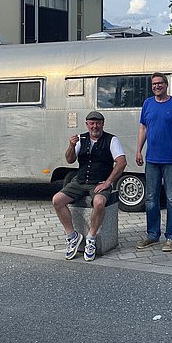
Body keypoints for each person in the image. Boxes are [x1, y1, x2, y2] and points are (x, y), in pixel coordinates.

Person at [52, 111, 127, 262]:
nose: (95, 126)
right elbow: (69, 160)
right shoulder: (81, 139)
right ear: (87, 124)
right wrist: (71, 146)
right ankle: (72, 236)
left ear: (103, 124)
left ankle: (91, 239)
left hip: (100, 182)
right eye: (91, 123)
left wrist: (108, 182)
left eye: (98, 123)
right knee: (57, 200)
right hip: (80, 181)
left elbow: (121, 162)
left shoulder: (111, 140)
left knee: (99, 203)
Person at [135, 73, 172, 253]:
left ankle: (171, 237)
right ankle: (152, 235)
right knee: (151, 200)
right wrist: (138, 150)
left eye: (160, 83)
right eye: (154, 84)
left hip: (171, 160)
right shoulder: (147, 104)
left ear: (166, 85)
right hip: (151, 160)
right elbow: (143, 127)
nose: (157, 86)